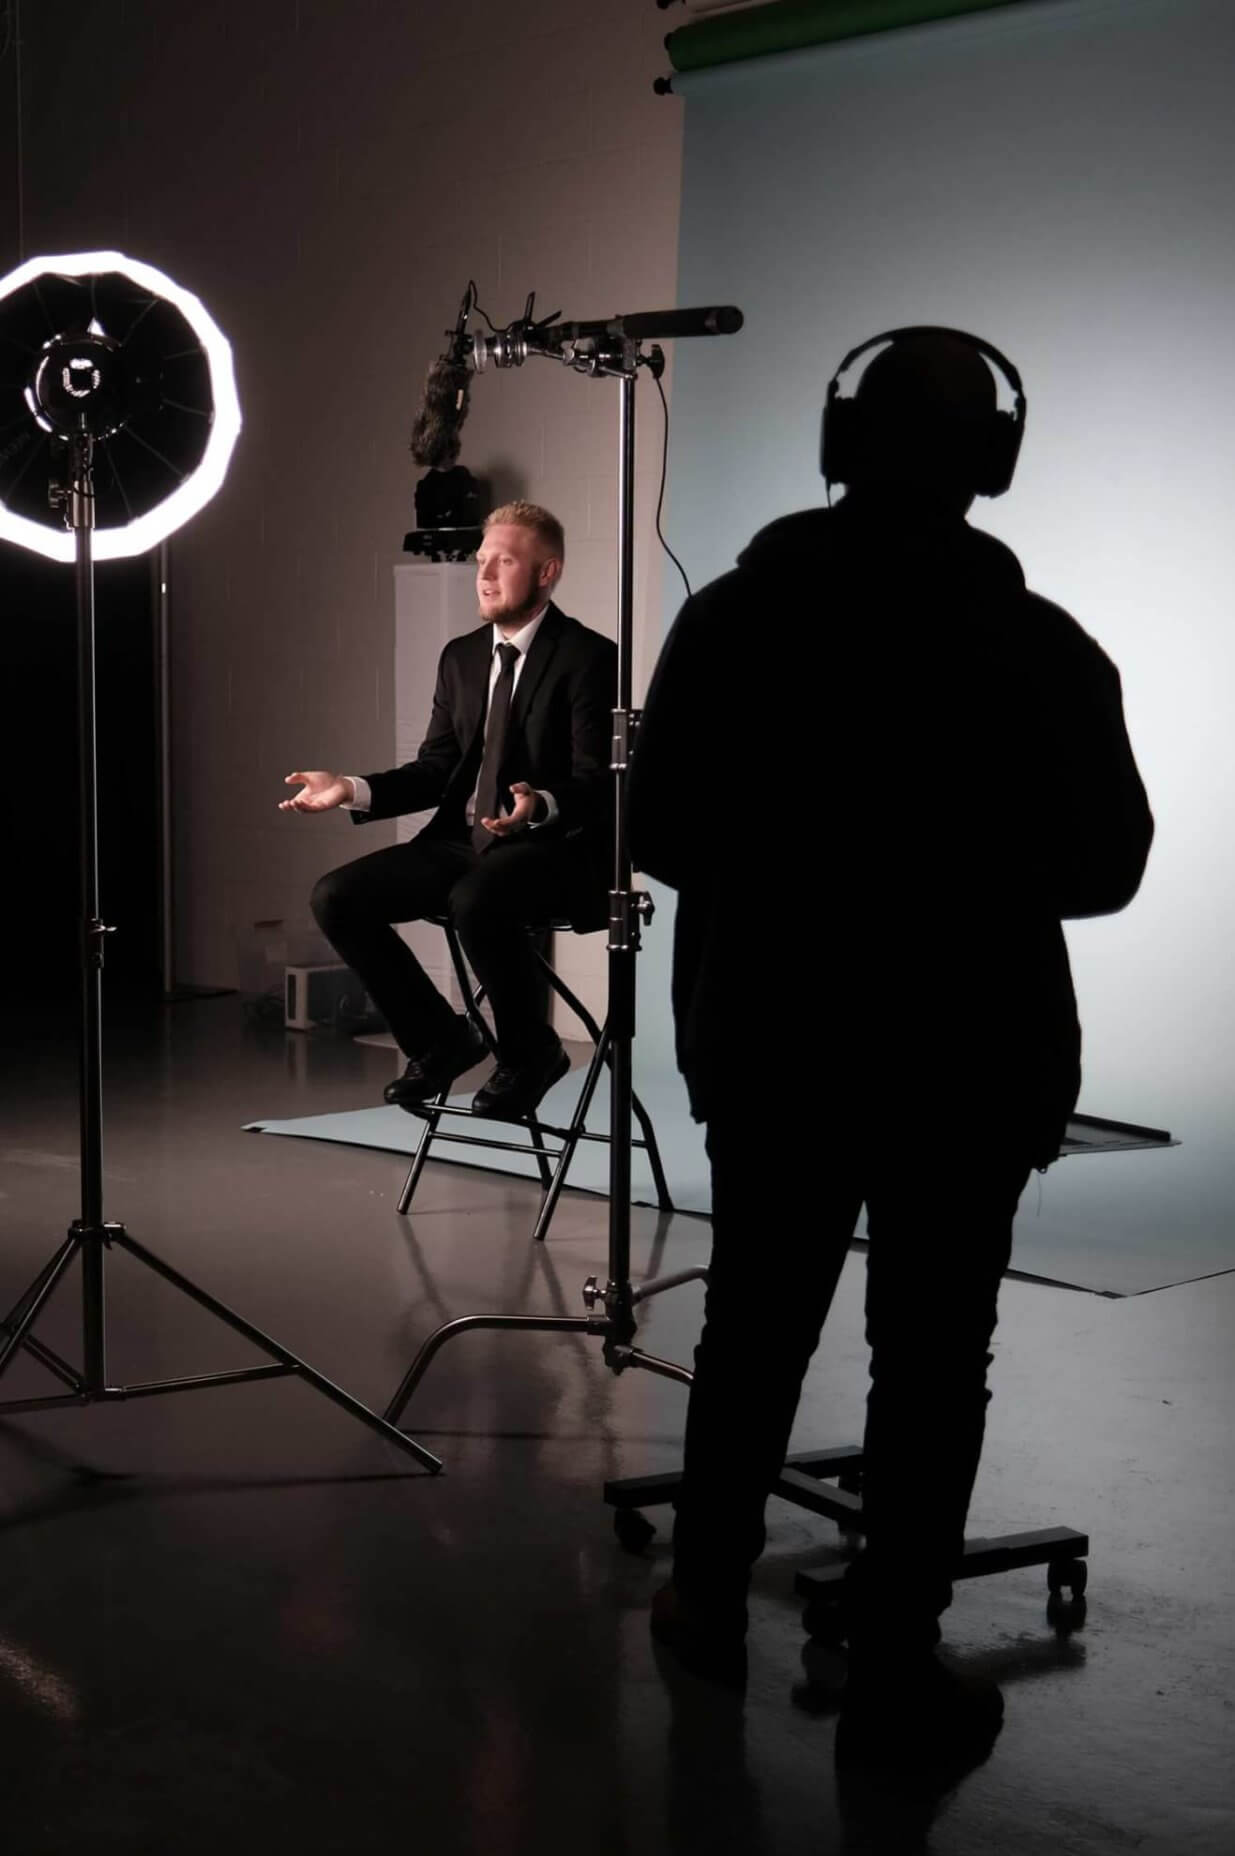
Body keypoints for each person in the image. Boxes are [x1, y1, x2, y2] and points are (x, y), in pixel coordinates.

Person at [627, 329, 1154, 1766]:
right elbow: (1105, 866)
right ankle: (896, 1655)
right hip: (968, 1061)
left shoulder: (733, 623)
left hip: (776, 1042)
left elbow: (658, 826)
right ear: (992, 463)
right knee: (932, 1360)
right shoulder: (1040, 650)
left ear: (835, 444)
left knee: (751, 1328)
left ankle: (706, 1603)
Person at [284, 501, 616, 1120]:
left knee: (475, 898)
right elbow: (435, 771)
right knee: (337, 895)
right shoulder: (461, 657)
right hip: (463, 841)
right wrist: (349, 788)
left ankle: (530, 1052)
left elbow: (598, 782)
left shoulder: (589, 657)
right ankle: (441, 1040)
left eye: (505, 561)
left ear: (547, 573)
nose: (485, 575)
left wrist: (539, 804)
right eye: (481, 560)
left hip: (553, 846)